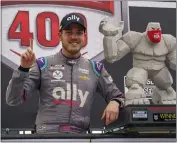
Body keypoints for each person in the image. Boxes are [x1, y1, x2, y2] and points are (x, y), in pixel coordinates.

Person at [6, 12, 125, 134]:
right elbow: (13, 99)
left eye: (78, 33)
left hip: (80, 137)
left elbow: (118, 96)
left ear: (84, 36)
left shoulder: (95, 68)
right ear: (59, 35)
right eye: (68, 32)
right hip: (46, 136)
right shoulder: (43, 64)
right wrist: (23, 69)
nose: (74, 37)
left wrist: (115, 102)